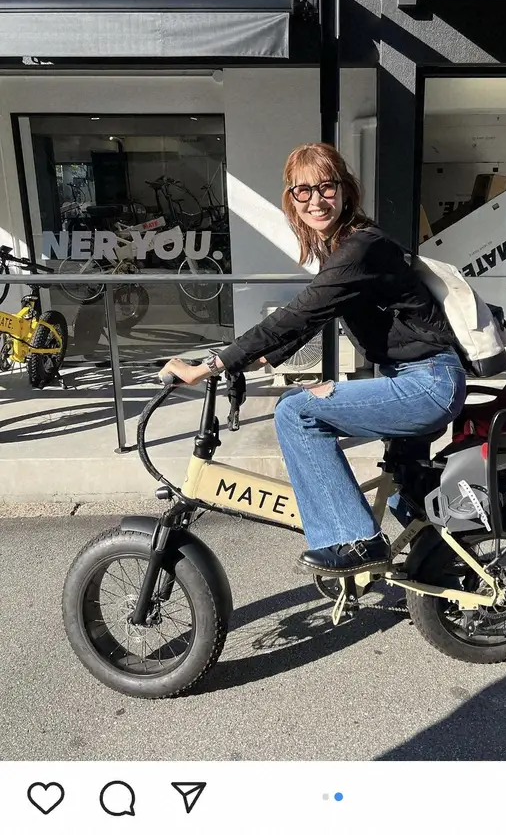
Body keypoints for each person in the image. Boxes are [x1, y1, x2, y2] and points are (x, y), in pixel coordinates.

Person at [159, 143, 466, 576]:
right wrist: (257, 358)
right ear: (291, 198)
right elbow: (311, 316)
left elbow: (299, 312)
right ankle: (433, 562)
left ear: (345, 189)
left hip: (426, 383)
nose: (316, 200)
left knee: (296, 413)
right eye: (303, 191)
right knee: (403, 493)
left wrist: (211, 365)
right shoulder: (346, 244)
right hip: (416, 376)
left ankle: (356, 540)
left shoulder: (359, 248)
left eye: (326, 187)